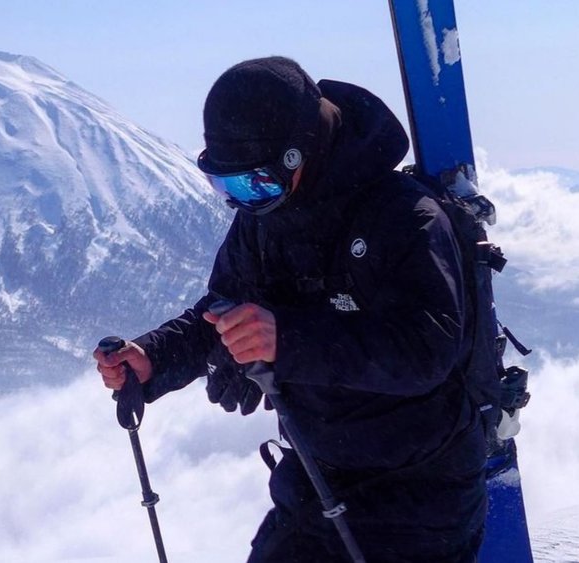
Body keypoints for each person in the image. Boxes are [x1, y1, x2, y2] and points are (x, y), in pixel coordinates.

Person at [93, 57, 486, 562]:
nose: (243, 201)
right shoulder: (266, 219)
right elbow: (223, 313)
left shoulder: (403, 217)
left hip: (420, 496)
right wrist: (154, 358)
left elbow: (427, 350)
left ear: (300, 153)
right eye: (227, 187)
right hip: (316, 478)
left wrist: (287, 341)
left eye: (254, 183)